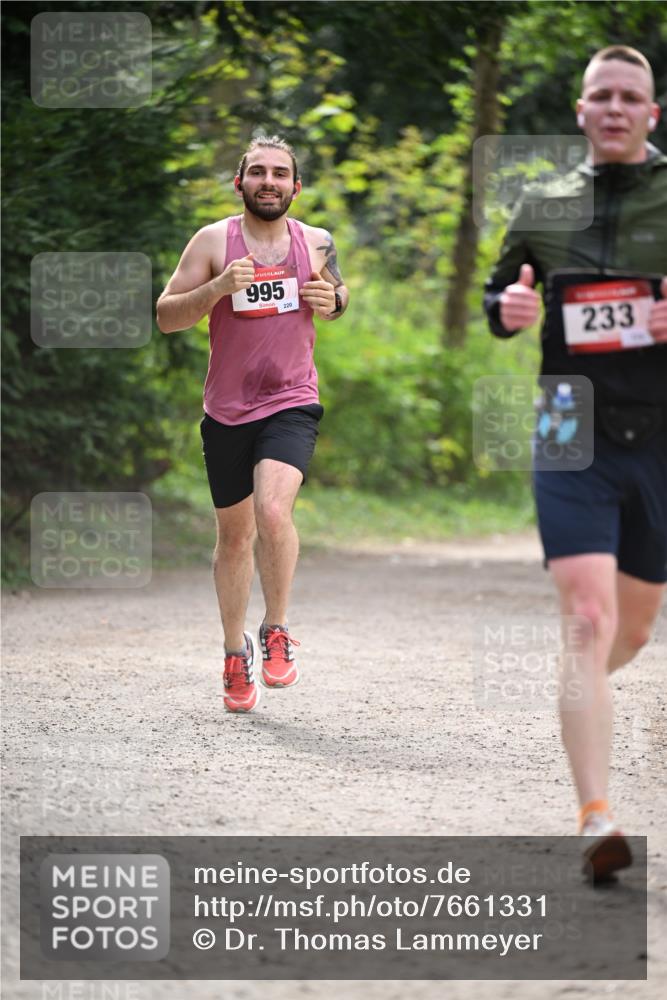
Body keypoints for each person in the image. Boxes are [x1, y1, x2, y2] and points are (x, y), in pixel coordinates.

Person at [484, 46, 667, 880]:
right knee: (587, 621)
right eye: (602, 95)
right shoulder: (542, 204)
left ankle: (578, 686)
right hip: (568, 420)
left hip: (661, 430)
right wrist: (507, 308)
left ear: (651, 114)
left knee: (629, 628)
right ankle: (595, 817)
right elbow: (498, 297)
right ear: (582, 110)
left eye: (631, 97)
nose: (616, 108)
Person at [156, 135, 349, 713]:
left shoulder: (315, 242)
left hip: (292, 398)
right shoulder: (214, 241)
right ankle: (232, 652)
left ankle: (278, 629)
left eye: (281, 173)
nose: (270, 181)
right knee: (235, 536)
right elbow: (166, 316)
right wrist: (217, 288)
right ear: (239, 183)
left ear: (296, 186)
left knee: (272, 510)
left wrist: (332, 300)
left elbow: (339, 295)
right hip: (226, 409)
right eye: (258, 172)